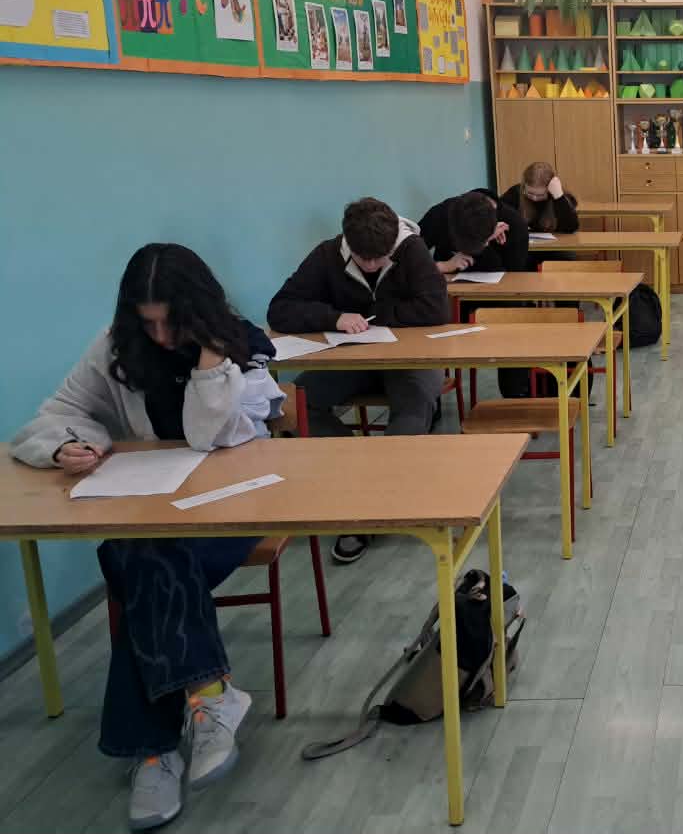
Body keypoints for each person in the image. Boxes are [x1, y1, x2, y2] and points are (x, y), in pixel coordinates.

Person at [10, 243, 284, 832]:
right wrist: (65, 445)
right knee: (145, 552)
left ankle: (152, 753)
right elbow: (53, 414)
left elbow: (209, 437)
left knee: (136, 561)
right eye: (147, 322)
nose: (159, 336)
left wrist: (210, 357)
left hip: (234, 507)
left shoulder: (242, 348)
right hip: (149, 511)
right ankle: (208, 698)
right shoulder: (116, 346)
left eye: (170, 322)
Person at [268, 197, 447, 564]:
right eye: (363, 259)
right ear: (348, 243)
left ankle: (365, 509)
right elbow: (280, 309)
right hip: (353, 359)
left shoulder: (411, 250)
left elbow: (436, 309)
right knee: (295, 401)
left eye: (379, 259)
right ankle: (358, 472)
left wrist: (378, 314)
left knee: (414, 410)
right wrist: (333, 318)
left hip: (409, 360)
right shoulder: (327, 254)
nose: (371, 265)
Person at [417, 187, 530, 275]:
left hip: (495, 290)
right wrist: (443, 266)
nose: (486, 244)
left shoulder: (516, 226)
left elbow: (515, 280)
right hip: (447, 286)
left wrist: (487, 243)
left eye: (485, 241)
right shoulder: (439, 216)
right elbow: (409, 262)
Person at [500, 161, 579, 269]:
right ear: (524, 186)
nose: (534, 198)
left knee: (566, 260)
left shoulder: (561, 197)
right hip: (526, 246)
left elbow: (571, 227)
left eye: (540, 195)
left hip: (556, 247)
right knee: (514, 260)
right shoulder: (515, 193)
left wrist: (559, 197)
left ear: (549, 189)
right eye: (530, 193)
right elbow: (499, 213)